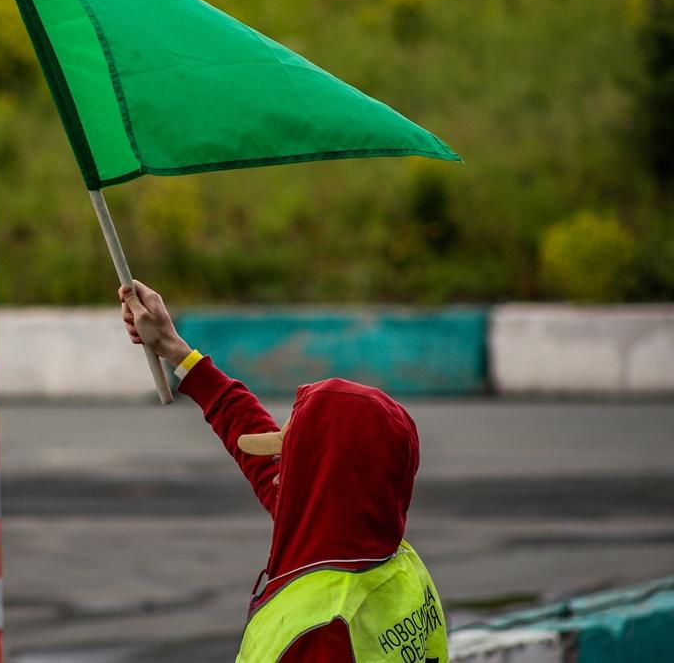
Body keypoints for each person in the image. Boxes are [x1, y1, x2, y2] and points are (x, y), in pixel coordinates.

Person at [119, 280, 448, 663]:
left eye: (291, 459)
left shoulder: (323, 631)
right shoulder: (389, 558)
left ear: (321, 485)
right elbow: (262, 457)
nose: (278, 473)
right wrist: (176, 350)